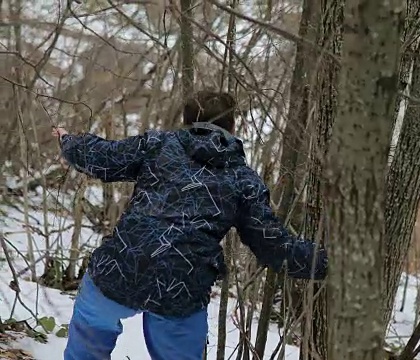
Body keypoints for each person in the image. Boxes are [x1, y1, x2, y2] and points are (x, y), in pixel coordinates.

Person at [54, 90, 328, 360]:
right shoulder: (242, 179)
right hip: (181, 287)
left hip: (121, 267)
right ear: (231, 126)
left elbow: (103, 157)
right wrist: (333, 262)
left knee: (86, 347)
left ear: (186, 120)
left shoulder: (158, 144)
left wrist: (68, 141)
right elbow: (275, 248)